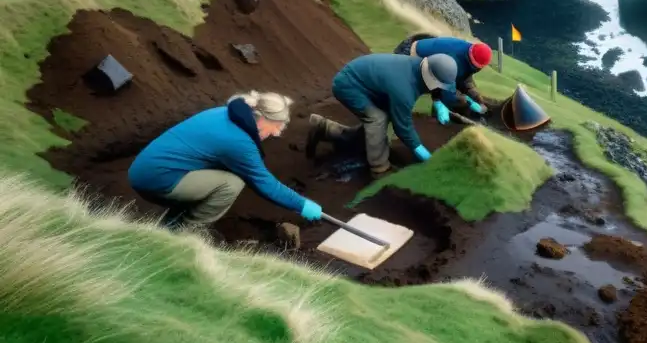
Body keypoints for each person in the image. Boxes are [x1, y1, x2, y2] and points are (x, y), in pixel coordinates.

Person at [127, 91, 323, 230]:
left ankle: (167, 228)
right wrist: (302, 205)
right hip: (156, 179)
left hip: (146, 168)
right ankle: (184, 236)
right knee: (231, 183)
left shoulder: (224, 113)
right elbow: (264, 183)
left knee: (222, 176)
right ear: (262, 118)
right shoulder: (238, 141)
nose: (278, 132)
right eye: (277, 125)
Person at [306, 53, 458, 178]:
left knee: (379, 123)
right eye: (439, 85)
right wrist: (421, 151)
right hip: (349, 85)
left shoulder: (418, 68)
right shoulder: (403, 88)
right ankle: (380, 169)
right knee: (377, 119)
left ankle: (325, 128)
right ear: (431, 79)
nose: (440, 88)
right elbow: (403, 127)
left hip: (368, 85)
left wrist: (441, 102)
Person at [393, 34, 491, 124]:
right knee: (401, 94)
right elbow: (447, 91)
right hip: (409, 56)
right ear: (472, 62)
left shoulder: (470, 52)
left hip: (429, 58)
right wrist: (469, 101)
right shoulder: (453, 60)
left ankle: (437, 119)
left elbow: (465, 78)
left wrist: (477, 97)